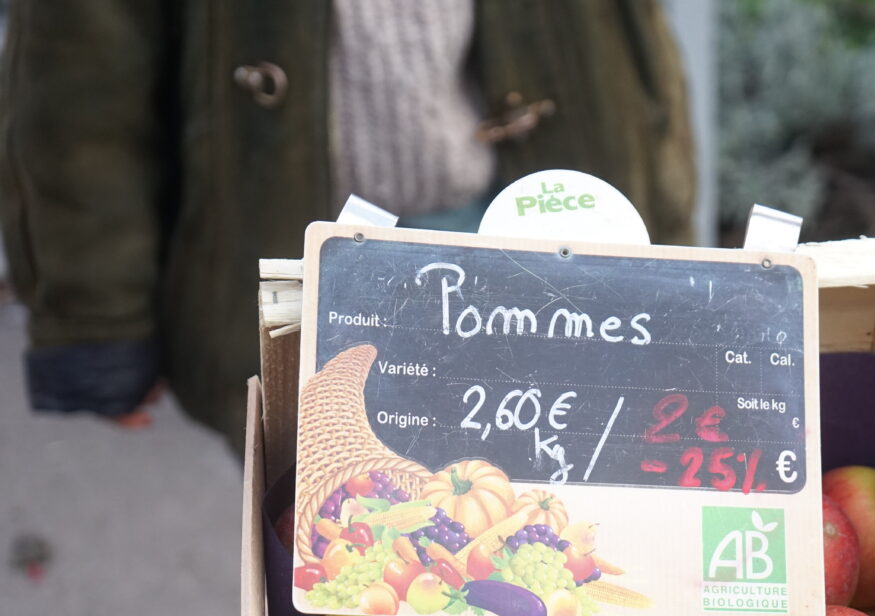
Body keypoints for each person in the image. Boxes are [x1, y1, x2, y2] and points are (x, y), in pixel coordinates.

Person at [0, 0, 696, 448]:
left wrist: (662, 230)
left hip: (524, 219)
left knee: (567, 524)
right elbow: (82, 80)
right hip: (301, 259)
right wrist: (96, 315)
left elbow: (630, 39)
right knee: (348, 558)